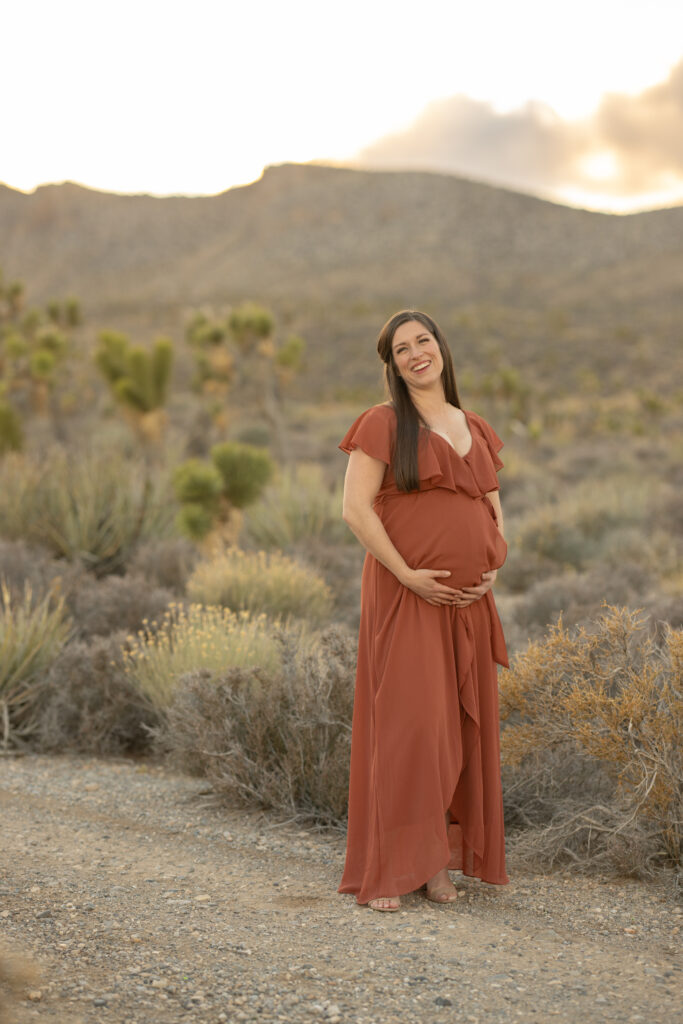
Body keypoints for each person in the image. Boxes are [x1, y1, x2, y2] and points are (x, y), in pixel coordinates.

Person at [337, 309, 510, 912]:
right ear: (393, 365)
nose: (416, 353)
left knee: (456, 733)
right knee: (412, 730)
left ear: (441, 348)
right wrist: (408, 574)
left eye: (423, 341)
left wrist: (494, 565)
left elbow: (491, 508)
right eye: (401, 348)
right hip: (405, 595)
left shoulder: (476, 427)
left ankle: (435, 868)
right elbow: (357, 510)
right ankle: (389, 869)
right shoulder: (383, 423)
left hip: (467, 604)